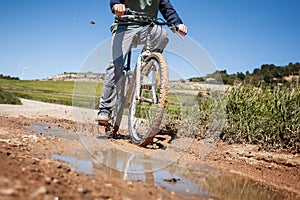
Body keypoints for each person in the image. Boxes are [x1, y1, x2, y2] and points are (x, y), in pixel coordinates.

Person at [96, 0, 188, 125]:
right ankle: (105, 109)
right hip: (125, 26)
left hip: (147, 28)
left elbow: (168, 9)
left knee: (163, 36)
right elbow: (115, 0)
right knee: (116, 64)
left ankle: (143, 72)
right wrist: (116, 5)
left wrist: (178, 23)